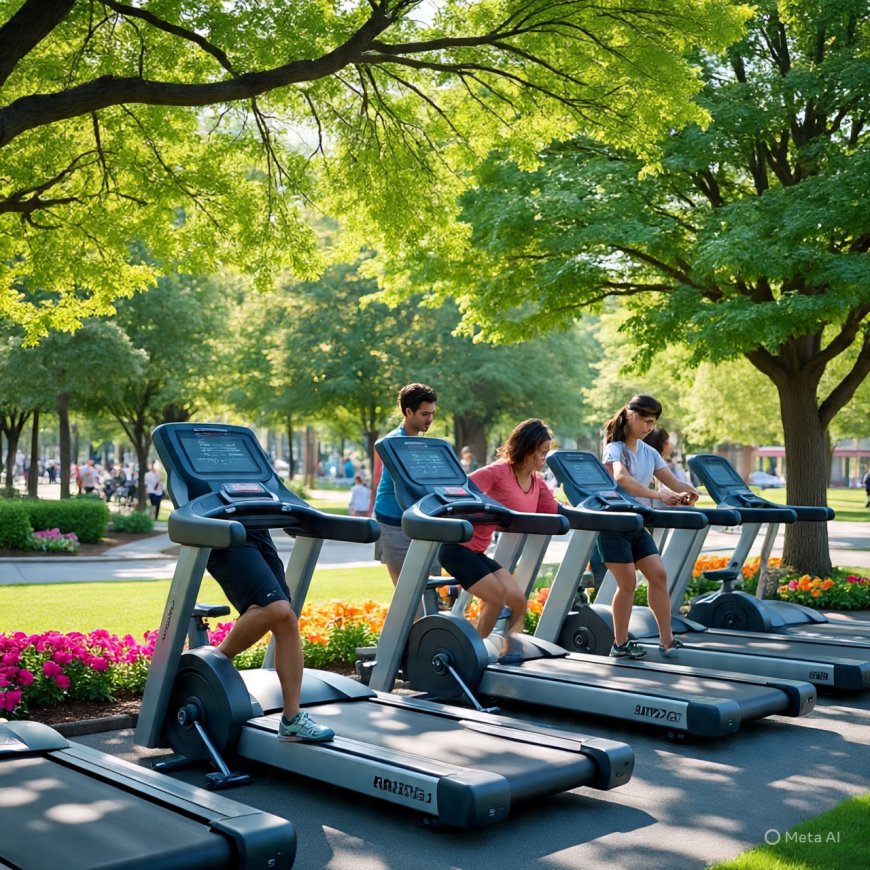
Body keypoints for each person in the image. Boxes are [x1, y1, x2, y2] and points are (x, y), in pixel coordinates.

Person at [439, 419, 559, 661]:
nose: (544, 458)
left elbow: (554, 509)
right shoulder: (498, 471)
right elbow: (459, 489)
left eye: (546, 452)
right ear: (526, 448)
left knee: (517, 600)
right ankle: (471, 656)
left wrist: (593, 515)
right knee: (495, 597)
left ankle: (511, 651)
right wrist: (482, 509)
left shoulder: (537, 481)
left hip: (478, 551)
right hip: (456, 548)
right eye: (541, 452)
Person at [207, 532, 334, 743]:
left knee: (286, 619)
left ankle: (292, 719)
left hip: (259, 531)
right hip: (228, 536)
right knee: (277, 608)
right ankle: (211, 664)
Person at [600, 395, 701, 659]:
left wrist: (691, 494)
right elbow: (622, 479)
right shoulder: (615, 449)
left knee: (658, 575)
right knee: (628, 584)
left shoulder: (650, 452)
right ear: (631, 416)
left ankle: (666, 641)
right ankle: (619, 644)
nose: (649, 427)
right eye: (645, 420)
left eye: (653, 423)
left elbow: (673, 481)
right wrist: (660, 496)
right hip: (615, 525)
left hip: (637, 525)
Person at [371, 383, 438, 586]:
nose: (430, 419)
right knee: (405, 590)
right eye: (425, 414)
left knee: (429, 587)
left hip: (421, 521)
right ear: (408, 412)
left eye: (432, 413)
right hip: (393, 521)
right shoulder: (392, 442)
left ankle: (426, 619)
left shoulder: (423, 443)